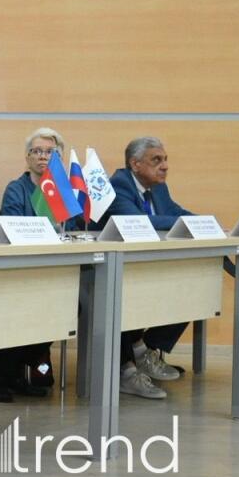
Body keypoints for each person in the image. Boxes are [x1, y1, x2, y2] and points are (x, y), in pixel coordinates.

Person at [98, 136, 193, 400]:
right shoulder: (117, 185)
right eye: (156, 160)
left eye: (165, 160)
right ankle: (129, 365)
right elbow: (140, 222)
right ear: (135, 164)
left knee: (192, 285)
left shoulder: (158, 187)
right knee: (126, 295)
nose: (164, 166)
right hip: (113, 271)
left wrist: (207, 223)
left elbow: (176, 212)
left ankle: (146, 351)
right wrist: (184, 222)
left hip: (144, 264)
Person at [0, 127, 78, 399]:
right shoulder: (17, 188)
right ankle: (2, 372)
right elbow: (12, 225)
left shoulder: (64, 191)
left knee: (73, 305)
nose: (42, 157)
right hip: (21, 271)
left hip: (58, 271)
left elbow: (72, 228)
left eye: (50, 152)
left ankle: (24, 364)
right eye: (36, 151)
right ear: (27, 157)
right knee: (27, 305)